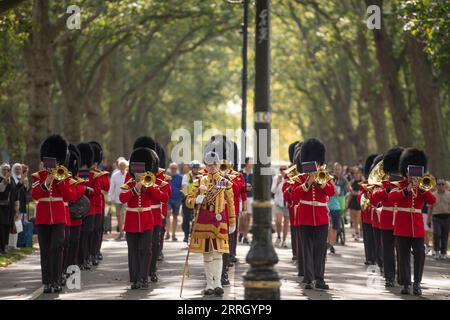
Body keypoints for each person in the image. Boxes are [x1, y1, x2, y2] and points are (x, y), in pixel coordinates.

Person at [185, 150, 236, 296]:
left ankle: (218, 283)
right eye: (210, 164)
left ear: (219, 164)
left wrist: (232, 221)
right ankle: (209, 284)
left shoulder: (225, 183)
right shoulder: (198, 182)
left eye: (215, 164)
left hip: (219, 221)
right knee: (207, 254)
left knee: (218, 253)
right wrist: (196, 201)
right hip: (204, 221)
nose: (213, 167)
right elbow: (188, 201)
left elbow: (231, 204)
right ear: (206, 166)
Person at [289, 138, 336, 290]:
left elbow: (332, 191)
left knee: (320, 249)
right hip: (305, 217)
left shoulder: (324, 177)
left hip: (321, 217)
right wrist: (307, 183)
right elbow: (294, 196)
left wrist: (319, 182)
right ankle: (309, 279)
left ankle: (319, 278)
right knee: (307, 250)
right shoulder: (300, 179)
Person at [389, 148, 436, 295]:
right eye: (411, 171)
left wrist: (422, 189)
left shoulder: (423, 186)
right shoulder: (400, 185)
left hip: (416, 226)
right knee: (402, 256)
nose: (413, 175)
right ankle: (406, 284)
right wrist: (407, 190)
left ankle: (417, 283)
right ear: (406, 171)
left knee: (420, 253)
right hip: (402, 226)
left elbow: (432, 200)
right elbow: (391, 199)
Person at [120, 147, 167, 290]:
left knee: (146, 249)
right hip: (132, 220)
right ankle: (135, 279)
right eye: (137, 170)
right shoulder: (128, 180)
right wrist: (135, 188)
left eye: (142, 170)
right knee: (133, 251)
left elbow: (163, 197)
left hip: (147, 220)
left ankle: (144, 277)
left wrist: (148, 186)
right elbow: (122, 198)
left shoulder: (150, 181)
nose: (139, 173)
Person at [32, 135, 73, 293]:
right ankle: (47, 282)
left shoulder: (63, 175)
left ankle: (56, 280)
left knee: (57, 248)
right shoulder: (37, 176)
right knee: (45, 251)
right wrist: (46, 182)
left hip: (58, 217)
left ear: (58, 161)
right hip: (43, 218)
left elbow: (68, 196)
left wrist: (58, 180)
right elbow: (35, 194)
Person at [370, 147, 404, 287]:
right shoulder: (384, 183)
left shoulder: (406, 183)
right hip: (387, 219)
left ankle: (403, 277)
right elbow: (374, 198)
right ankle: (389, 276)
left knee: (402, 250)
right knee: (388, 250)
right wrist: (386, 190)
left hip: (402, 219)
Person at [88, 141, 110, 264]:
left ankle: (96, 251)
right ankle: (89, 253)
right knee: (89, 231)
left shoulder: (102, 173)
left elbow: (106, 187)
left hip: (98, 204)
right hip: (87, 205)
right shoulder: (86, 173)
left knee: (98, 230)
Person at [76, 142, 95, 270]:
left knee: (87, 235)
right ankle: (79, 259)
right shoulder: (75, 174)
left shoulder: (93, 174)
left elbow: (97, 190)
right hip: (77, 208)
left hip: (90, 208)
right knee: (79, 236)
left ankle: (86, 257)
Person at [359, 154, 378, 266]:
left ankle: (377, 257)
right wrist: (366, 195)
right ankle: (369, 257)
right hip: (367, 215)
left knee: (377, 239)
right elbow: (360, 197)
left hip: (377, 215)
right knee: (368, 238)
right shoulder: (366, 184)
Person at [428, 179, 450, 259]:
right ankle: (436, 251)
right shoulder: (433, 195)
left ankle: (443, 253)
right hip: (436, 217)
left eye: (442, 184)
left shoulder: (449, 195)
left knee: (445, 235)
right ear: (436, 185)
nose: (441, 186)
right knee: (437, 234)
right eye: (439, 184)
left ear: (445, 185)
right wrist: (428, 219)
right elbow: (430, 208)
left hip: (447, 217)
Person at [181, 160, 201, 243]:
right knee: (186, 218)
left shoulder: (201, 176)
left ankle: (194, 235)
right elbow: (185, 187)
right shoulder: (186, 177)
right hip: (188, 199)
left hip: (197, 200)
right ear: (192, 168)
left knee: (197, 218)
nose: (196, 170)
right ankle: (186, 235)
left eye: (197, 168)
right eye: (195, 168)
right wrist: (187, 196)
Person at [108, 157, 129, 240]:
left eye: (124, 166)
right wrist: (110, 197)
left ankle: (125, 232)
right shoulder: (115, 175)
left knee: (123, 214)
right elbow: (112, 186)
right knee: (118, 215)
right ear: (119, 166)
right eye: (121, 166)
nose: (122, 167)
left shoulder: (128, 174)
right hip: (117, 198)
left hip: (126, 198)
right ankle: (121, 232)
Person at [0, 163, 18, 254]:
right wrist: (4, 182)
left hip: (9, 208)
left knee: (7, 226)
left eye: (7, 170)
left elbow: (15, 193)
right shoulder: (1, 179)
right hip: (1, 207)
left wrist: (16, 207)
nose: (5, 171)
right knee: (1, 227)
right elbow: (1, 190)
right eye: (4, 169)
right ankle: (2, 248)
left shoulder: (12, 180)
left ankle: (5, 246)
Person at [271, 166, 289, 248]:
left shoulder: (290, 178)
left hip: (287, 203)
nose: (283, 171)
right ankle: (278, 236)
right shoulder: (276, 178)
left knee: (286, 223)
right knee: (278, 221)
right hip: (278, 202)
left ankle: (284, 240)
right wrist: (278, 183)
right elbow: (273, 191)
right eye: (281, 170)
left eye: (284, 170)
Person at [166, 162, 183, 241]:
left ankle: (173, 234)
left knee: (175, 216)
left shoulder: (180, 177)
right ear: (169, 169)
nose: (173, 170)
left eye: (175, 168)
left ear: (177, 169)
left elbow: (183, 187)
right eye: (172, 168)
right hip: (168, 199)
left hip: (177, 199)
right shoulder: (166, 177)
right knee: (168, 215)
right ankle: (167, 233)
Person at [239, 157, 253, 244]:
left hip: (251, 197)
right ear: (247, 163)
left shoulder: (254, 173)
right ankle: (241, 232)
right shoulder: (240, 172)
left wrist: (250, 187)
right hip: (242, 197)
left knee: (248, 217)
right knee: (241, 217)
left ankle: (245, 235)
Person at [348, 168, 363, 241]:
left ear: (360, 174)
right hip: (353, 202)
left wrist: (355, 193)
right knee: (354, 219)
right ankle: (356, 232)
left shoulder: (363, 183)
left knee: (358, 219)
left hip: (359, 203)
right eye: (355, 173)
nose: (356, 175)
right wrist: (347, 203)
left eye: (358, 173)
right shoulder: (352, 182)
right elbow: (351, 193)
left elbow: (360, 193)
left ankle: (359, 232)